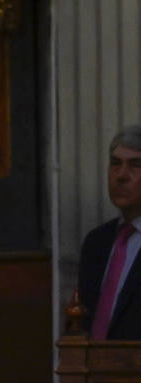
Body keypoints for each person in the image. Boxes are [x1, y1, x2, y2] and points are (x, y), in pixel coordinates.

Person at [80, 125, 141, 339]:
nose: (121, 175)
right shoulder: (97, 242)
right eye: (115, 164)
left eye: (135, 165)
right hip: (95, 369)